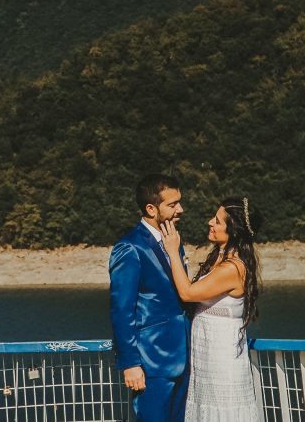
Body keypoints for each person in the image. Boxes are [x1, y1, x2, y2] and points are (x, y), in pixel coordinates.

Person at [160, 197, 263, 422]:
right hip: (207, 354)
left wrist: (171, 250)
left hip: (222, 359)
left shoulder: (233, 267)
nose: (210, 222)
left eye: (217, 221)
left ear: (233, 229)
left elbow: (188, 293)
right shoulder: (219, 256)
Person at [109, 174, 190, 422]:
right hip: (151, 361)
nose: (181, 209)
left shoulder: (174, 241)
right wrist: (131, 363)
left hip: (183, 355)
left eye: (180, 202)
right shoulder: (130, 247)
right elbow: (121, 310)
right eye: (173, 204)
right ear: (151, 208)